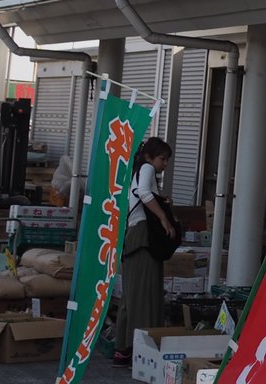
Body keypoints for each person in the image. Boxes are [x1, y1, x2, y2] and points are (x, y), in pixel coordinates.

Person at [114, 137, 176, 367]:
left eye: (167, 160)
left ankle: (124, 348)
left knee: (132, 297)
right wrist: (163, 218)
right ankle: (143, 350)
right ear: (150, 157)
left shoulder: (139, 171)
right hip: (142, 240)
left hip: (134, 239)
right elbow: (143, 193)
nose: (164, 164)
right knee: (145, 294)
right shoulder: (147, 168)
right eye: (163, 158)